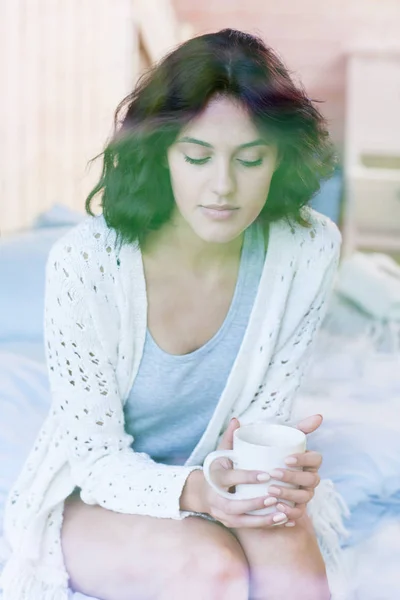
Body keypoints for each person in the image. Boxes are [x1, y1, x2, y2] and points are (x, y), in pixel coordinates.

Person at [0, 28, 347, 600]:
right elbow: (95, 460)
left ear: (279, 157)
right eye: (196, 155)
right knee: (213, 572)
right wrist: (199, 493)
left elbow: (258, 424)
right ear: (161, 153)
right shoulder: (85, 264)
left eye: (251, 159)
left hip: (223, 480)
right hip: (98, 496)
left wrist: (276, 466)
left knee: (288, 562)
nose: (223, 186)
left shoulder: (308, 249)